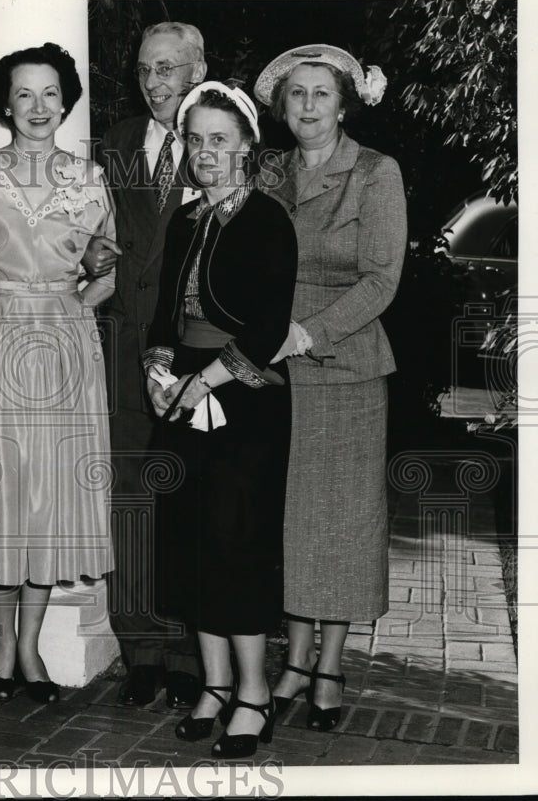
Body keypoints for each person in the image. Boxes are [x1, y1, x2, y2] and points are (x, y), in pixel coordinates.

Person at [253, 44, 406, 731]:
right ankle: (292, 661)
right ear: (281, 108)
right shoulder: (267, 172)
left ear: (344, 103)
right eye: (296, 94)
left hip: (344, 364)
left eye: (321, 93)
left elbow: (381, 280)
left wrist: (307, 333)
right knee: (292, 519)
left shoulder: (375, 173)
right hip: (272, 369)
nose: (308, 105)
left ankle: (329, 666)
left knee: (341, 524)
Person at [143, 81, 297, 758]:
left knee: (237, 545)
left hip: (246, 399)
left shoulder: (268, 220)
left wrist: (205, 380)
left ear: (246, 148)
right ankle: (211, 687)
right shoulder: (183, 220)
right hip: (180, 397)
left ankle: (254, 696)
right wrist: (158, 375)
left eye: (220, 140)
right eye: (196, 139)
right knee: (190, 543)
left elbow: (267, 328)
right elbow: (163, 319)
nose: (206, 152)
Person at [0, 42, 116, 705]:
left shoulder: (89, 179)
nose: (37, 106)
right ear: (4, 102)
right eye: (23, 93)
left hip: (65, 349)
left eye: (50, 93)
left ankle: (28, 647)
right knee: (3, 492)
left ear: (66, 99)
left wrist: (71, 315)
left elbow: (107, 272)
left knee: (49, 498)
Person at [93, 22, 207, 710]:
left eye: (168, 68)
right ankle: (141, 652)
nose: (154, 81)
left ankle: (194, 652)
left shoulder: (222, 143)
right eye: (144, 69)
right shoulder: (111, 145)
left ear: (198, 70)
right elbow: (84, 235)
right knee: (128, 503)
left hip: (195, 357)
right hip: (120, 352)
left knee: (193, 503)